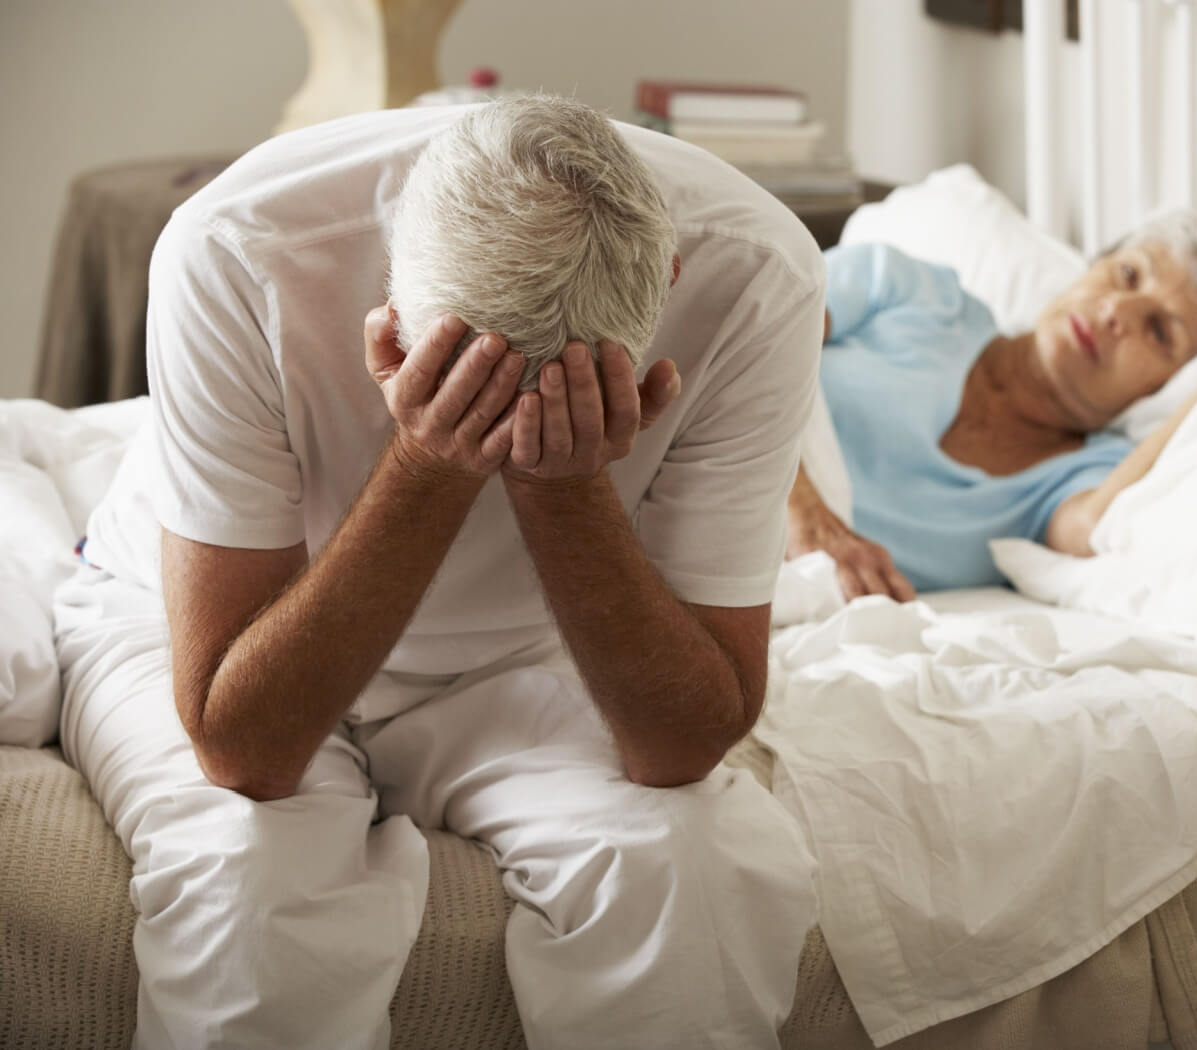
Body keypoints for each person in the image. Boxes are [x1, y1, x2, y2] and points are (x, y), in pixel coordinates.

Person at [53, 95, 825, 1050]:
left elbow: (682, 743)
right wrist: (426, 461)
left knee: (691, 877)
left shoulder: (760, 273)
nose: (506, 429)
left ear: (667, 281)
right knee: (247, 894)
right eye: (463, 380)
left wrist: (564, 481)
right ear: (386, 294)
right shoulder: (235, 245)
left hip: (530, 648)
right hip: (199, 620)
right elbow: (243, 747)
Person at [785, 214, 1197, 600]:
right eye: (1129, 274)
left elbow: (1094, 526)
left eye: (1159, 331)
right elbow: (746, 333)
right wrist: (799, 505)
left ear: (1170, 385)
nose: (1117, 310)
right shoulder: (913, 293)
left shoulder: (1080, 477)